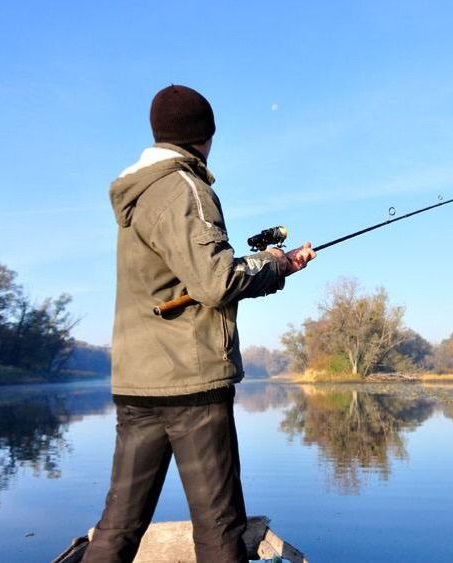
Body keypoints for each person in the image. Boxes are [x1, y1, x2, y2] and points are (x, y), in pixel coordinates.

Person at [84, 85, 315, 563]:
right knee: (219, 528)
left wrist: (265, 266)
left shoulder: (137, 195)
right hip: (191, 384)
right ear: (205, 135)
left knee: (118, 527)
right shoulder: (184, 187)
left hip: (137, 384)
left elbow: (184, 277)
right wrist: (276, 264)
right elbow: (215, 281)